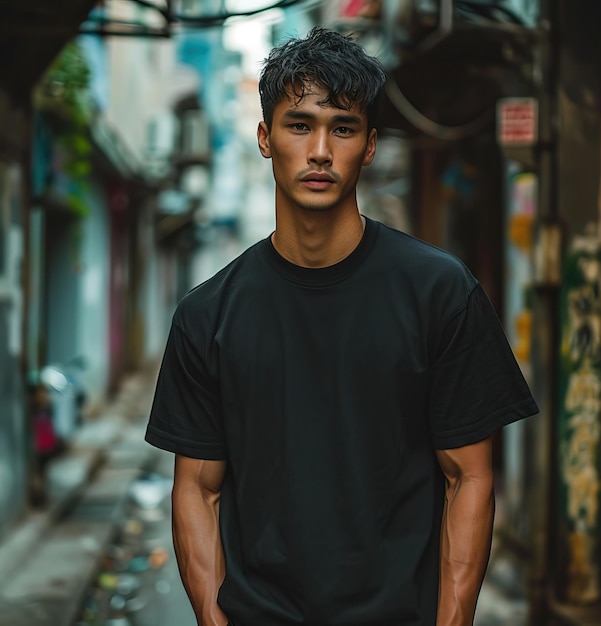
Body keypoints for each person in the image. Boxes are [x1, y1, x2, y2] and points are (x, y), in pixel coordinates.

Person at [145, 26, 538, 626]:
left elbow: (470, 477)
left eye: (344, 128)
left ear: (371, 146)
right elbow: (197, 488)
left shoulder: (439, 294)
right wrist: (211, 617)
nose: (321, 150)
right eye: (300, 125)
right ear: (265, 138)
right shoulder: (209, 315)